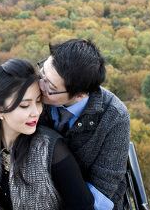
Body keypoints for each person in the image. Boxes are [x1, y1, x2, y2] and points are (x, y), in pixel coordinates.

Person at [0, 58, 95, 210]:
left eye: (38, 101)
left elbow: (82, 206)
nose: (36, 113)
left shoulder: (50, 149)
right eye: (24, 105)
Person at [37, 38, 131, 210]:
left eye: (49, 85)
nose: (39, 85)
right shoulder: (33, 97)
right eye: (42, 72)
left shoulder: (114, 117)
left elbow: (103, 188)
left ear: (80, 94)